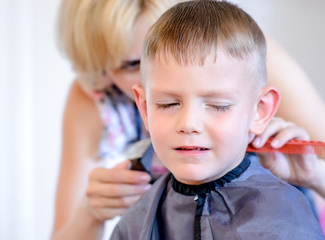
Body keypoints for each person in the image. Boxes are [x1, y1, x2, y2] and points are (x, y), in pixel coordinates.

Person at [52, 0, 325, 239]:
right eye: (134, 64)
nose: (189, 123)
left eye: (218, 105)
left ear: (261, 109)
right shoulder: (93, 99)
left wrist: (314, 175)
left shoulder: (238, 51)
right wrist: (90, 212)